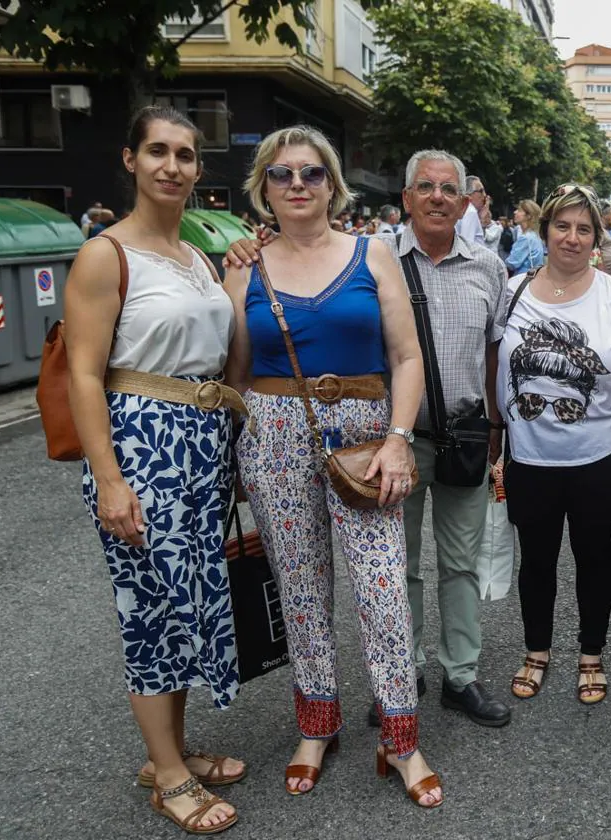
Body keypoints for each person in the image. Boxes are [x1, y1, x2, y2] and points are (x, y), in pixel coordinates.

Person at [224, 150, 514, 730]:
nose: (437, 196)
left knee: (460, 563)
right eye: (425, 187)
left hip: (458, 434)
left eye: (449, 188)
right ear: (405, 198)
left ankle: (461, 675)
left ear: (464, 201)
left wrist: (497, 426)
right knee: (393, 567)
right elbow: (240, 364)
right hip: (378, 441)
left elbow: (493, 353)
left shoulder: (487, 267)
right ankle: (400, 678)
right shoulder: (380, 253)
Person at [223, 125, 442, 808]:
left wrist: (400, 437)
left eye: (311, 174)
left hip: (365, 437)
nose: (297, 185)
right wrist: (232, 452)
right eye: (282, 174)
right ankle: (317, 726)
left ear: (332, 184)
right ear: (263, 187)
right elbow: (232, 371)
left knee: (381, 587)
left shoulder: (374, 254)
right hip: (273, 433)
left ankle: (401, 739)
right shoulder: (243, 265)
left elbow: (407, 357)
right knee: (300, 587)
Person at [67, 105, 244, 834]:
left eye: (185, 155)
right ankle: (168, 776)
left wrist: (234, 292)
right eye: (158, 152)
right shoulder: (107, 254)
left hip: (201, 444)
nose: (172, 165)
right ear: (131, 160)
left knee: (187, 604)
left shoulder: (197, 257)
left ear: (200, 170)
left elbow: (224, 354)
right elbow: (83, 375)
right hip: (141, 445)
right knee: (150, 610)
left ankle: (166, 750)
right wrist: (109, 479)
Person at [501, 183, 611, 706]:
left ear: (597, 238)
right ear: (544, 231)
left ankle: (592, 654)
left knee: (596, 558)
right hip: (529, 455)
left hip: (598, 457)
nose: (572, 237)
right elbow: (492, 366)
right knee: (536, 561)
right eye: (562, 226)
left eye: (583, 228)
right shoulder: (513, 290)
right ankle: (535, 651)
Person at [506, 199, 546, 276]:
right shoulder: (535, 235)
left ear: (529, 216)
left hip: (521, 279)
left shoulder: (526, 238)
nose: (515, 212)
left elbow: (511, 263)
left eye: (519, 210)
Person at [455, 174, 487, 245]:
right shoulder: (470, 211)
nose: (484, 195)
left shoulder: (464, 209)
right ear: (469, 194)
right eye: (481, 191)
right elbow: (467, 244)